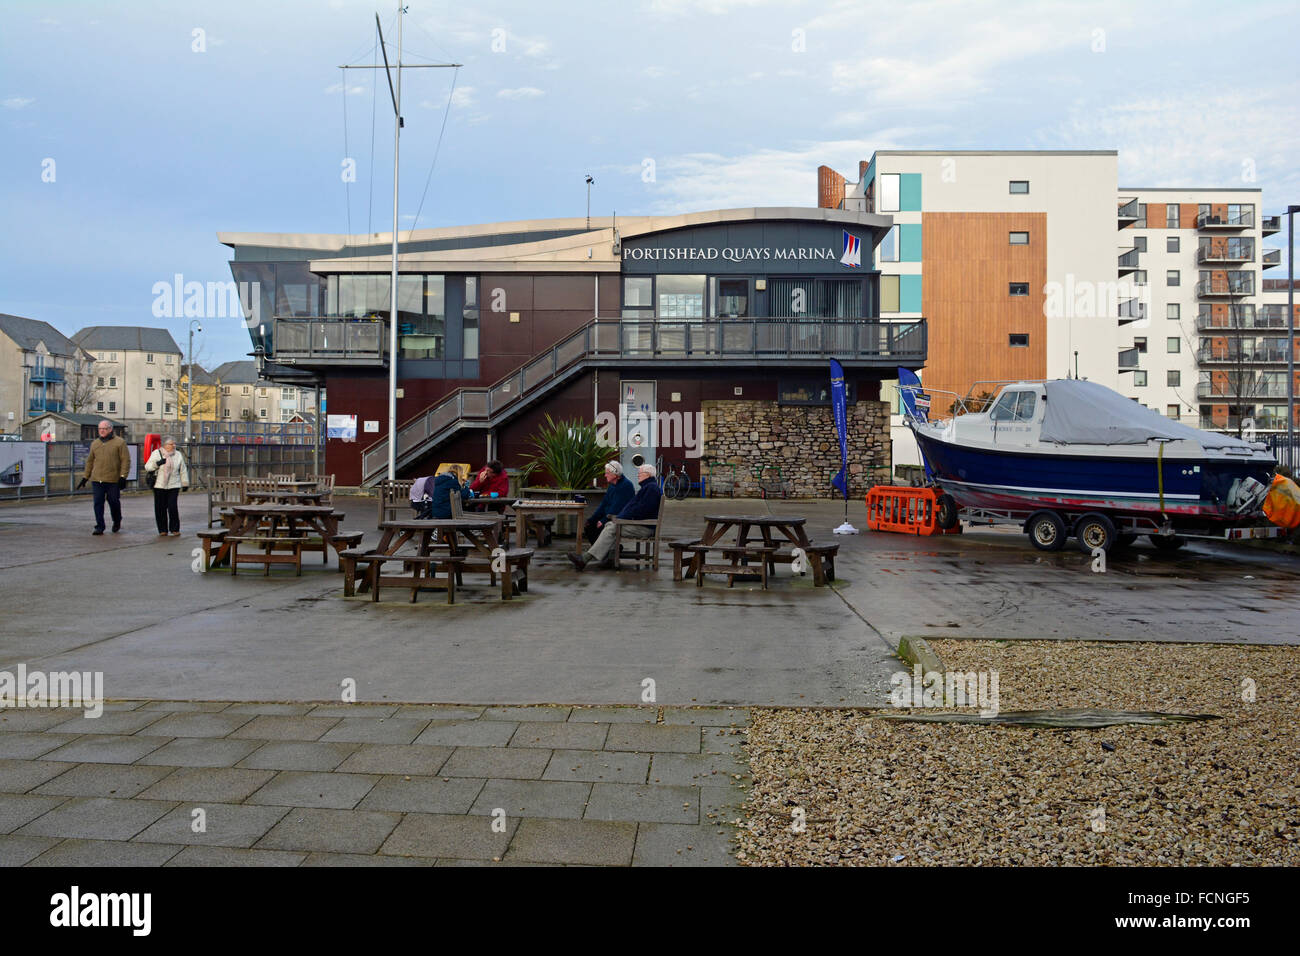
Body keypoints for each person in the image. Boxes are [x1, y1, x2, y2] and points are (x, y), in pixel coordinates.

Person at [569, 463, 661, 571]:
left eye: (640, 473)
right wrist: (621, 517)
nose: (638, 475)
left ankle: (585, 559)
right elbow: (630, 508)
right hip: (640, 525)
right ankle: (609, 558)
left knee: (612, 527)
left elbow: (641, 510)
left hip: (645, 528)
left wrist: (623, 517)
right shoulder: (648, 488)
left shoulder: (651, 489)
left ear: (648, 475)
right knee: (610, 525)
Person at [77, 420, 130, 535]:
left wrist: (123, 477)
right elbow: (90, 461)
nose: (102, 431)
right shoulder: (95, 443)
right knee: (98, 503)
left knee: (114, 502)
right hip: (97, 479)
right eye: (100, 428)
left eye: (104, 428)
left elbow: (126, 460)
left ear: (110, 429)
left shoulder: (119, 443)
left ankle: (117, 520)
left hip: (113, 480)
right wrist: (85, 477)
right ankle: (100, 526)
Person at [144, 436, 189, 536]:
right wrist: (158, 463)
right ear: (165, 445)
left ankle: (174, 529)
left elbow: (183, 470)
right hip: (159, 485)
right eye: (171, 444)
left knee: (173, 507)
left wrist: (185, 483)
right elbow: (147, 467)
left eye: (174, 444)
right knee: (160, 508)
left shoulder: (178, 455)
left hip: (174, 485)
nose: (174, 446)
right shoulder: (156, 453)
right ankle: (162, 530)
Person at [584, 461, 635, 544]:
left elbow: (617, 508)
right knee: (589, 525)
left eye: (607, 473)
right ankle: (603, 552)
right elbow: (604, 504)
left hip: (619, 519)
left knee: (597, 527)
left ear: (615, 474)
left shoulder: (626, 486)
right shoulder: (612, 485)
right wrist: (592, 518)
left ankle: (605, 552)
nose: (605, 475)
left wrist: (603, 520)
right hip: (610, 516)